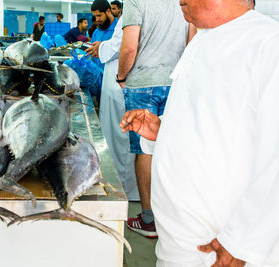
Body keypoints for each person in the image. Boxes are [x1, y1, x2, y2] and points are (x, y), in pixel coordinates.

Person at [120, 0, 279, 266]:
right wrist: (162, 130)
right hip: (179, 245)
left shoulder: (267, 44)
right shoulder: (202, 39)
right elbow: (213, 123)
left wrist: (241, 244)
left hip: (220, 250)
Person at [116, 0, 190, 239]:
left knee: (144, 151)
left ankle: (148, 220)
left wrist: (121, 77)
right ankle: (171, 217)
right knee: (171, 148)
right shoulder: (182, 2)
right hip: (175, 83)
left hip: (142, 84)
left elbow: (129, 47)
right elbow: (192, 43)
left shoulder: (136, 1)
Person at [86, 15, 139, 201]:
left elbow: (123, 46)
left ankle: (125, 190)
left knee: (121, 136)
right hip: (137, 80)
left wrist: (101, 48)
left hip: (122, 81)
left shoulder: (135, 7)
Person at [86, 0, 118, 101]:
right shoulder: (97, 32)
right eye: (95, 16)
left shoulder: (119, 30)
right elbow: (92, 53)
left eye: (99, 15)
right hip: (98, 80)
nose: (97, 19)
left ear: (108, 11)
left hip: (114, 81)